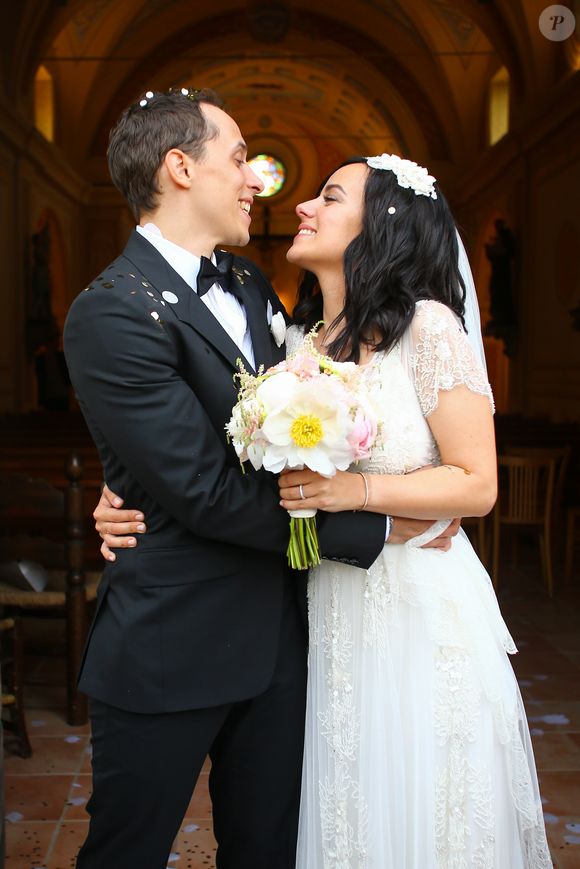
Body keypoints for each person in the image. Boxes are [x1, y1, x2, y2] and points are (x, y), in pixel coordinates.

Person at [63, 89, 408, 869]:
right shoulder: (109, 312)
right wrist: (376, 528)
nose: (256, 178)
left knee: (267, 852)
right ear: (180, 168)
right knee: (127, 851)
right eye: (239, 158)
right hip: (170, 640)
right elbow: (205, 491)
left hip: (280, 643)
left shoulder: (252, 286)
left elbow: (297, 433)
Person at [274, 155, 550, 867]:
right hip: (333, 605)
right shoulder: (297, 347)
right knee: (352, 802)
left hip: (421, 613)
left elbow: (476, 483)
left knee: (426, 808)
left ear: (382, 225)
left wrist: (357, 492)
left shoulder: (427, 329)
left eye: (329, 196)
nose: (303, 207)